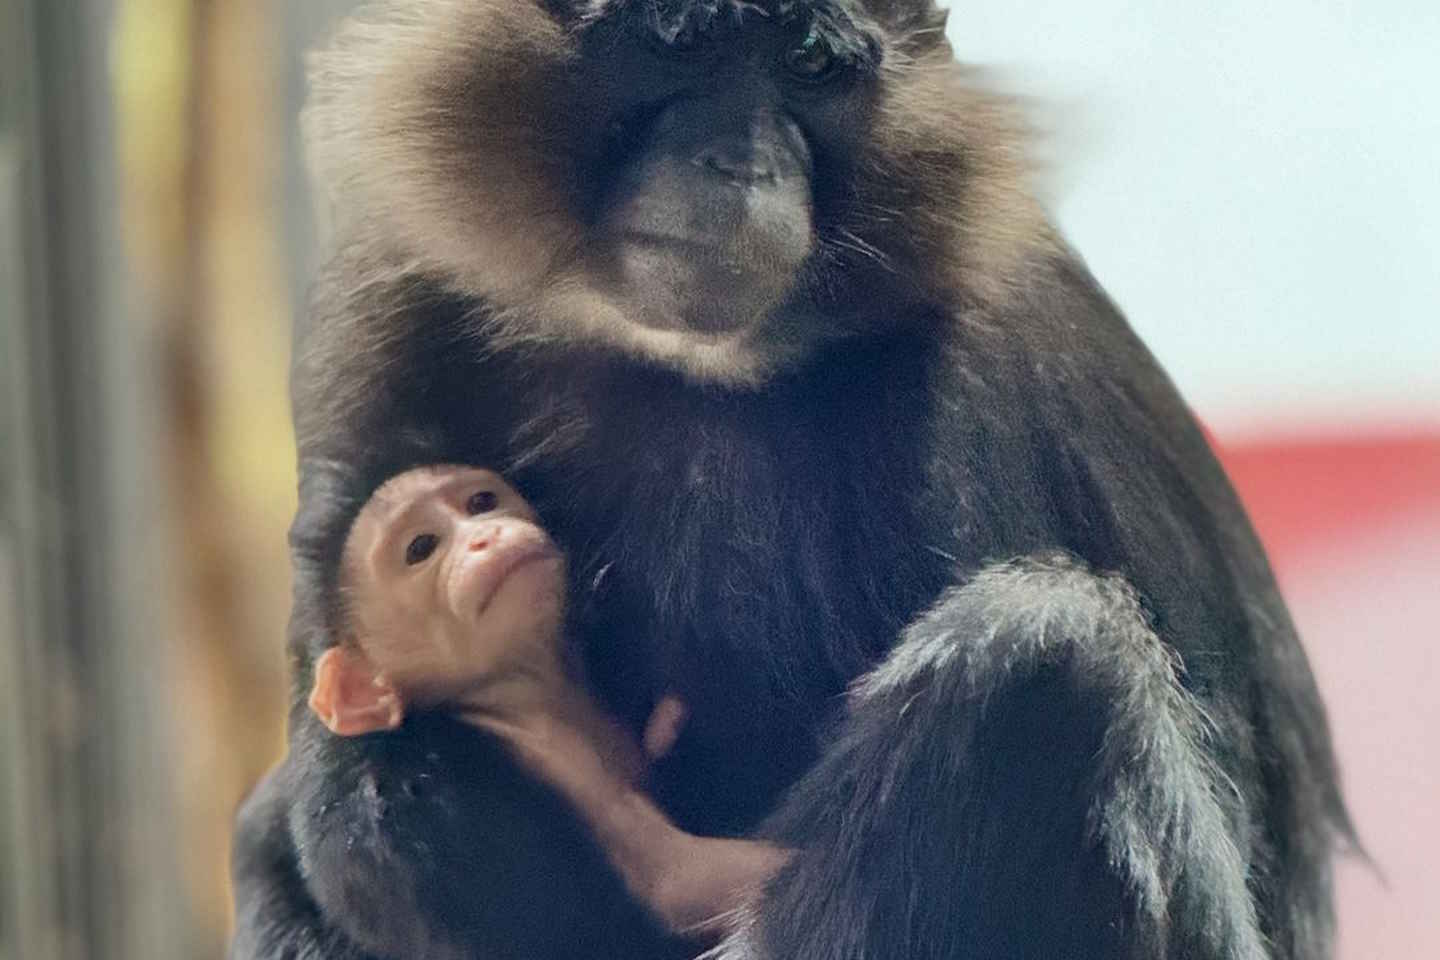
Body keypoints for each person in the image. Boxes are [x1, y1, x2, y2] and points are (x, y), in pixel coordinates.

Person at [307, 464, 788, 938]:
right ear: (360, 689)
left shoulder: (608, 682)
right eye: (421, 548)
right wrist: (836, 876)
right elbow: (673, 888)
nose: (481, 533)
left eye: (482, 502)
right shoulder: (519, 755)